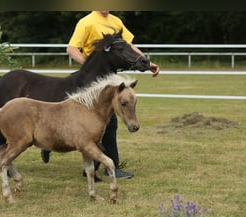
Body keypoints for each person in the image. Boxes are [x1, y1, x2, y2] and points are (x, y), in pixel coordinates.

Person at [42, 11, 159, 182]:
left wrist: (147, 63)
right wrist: (89, 66)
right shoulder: (86, 22)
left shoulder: (116, 21)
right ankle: (50, 143)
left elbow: (128, 46)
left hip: (109, 78)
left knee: (110, 124)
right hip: (90, 78)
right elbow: (72, 49)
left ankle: (110, 167)